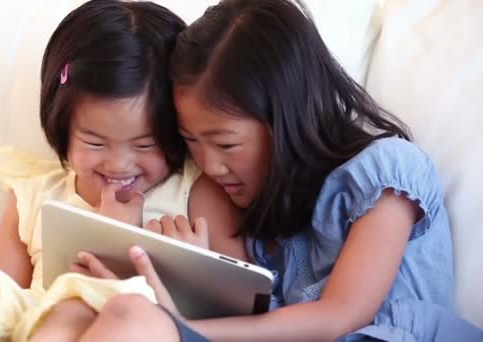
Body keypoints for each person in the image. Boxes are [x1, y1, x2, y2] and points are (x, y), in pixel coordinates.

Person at [70, 0, 483, 340]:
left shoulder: (386, 173)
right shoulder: (264, 224)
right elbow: (261, 321)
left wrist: (181, 327)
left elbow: (341, 316)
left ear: (290, 117)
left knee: (137, 321)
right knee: (118, 315)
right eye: (191, 142)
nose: (210, 165)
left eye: (226, 144)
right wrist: (193, 283)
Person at [0, 1, 244, 341]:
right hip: (32, 327)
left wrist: (195, 268)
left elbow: (243, 308)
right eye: (95, 143)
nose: (118, 164)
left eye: (144, 145)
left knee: (117, 308)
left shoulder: (196, 190)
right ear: (61, 127)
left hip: (132, 325)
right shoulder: (35, 193)